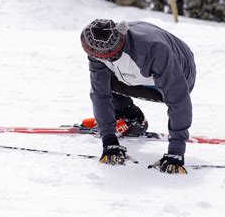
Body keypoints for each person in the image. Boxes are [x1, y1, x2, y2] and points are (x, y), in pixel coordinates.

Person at [80, 19, 196, 174]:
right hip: (139, 68)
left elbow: (179, 100)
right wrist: (109, 140)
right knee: (103, 82)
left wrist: (176, 150)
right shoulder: (99, 45)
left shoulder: (153, 50)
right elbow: (99, 93)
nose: (94, 58)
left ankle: (130, 116)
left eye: (97, 56)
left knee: (170, 92)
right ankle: (131, 117)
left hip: (181, 74)